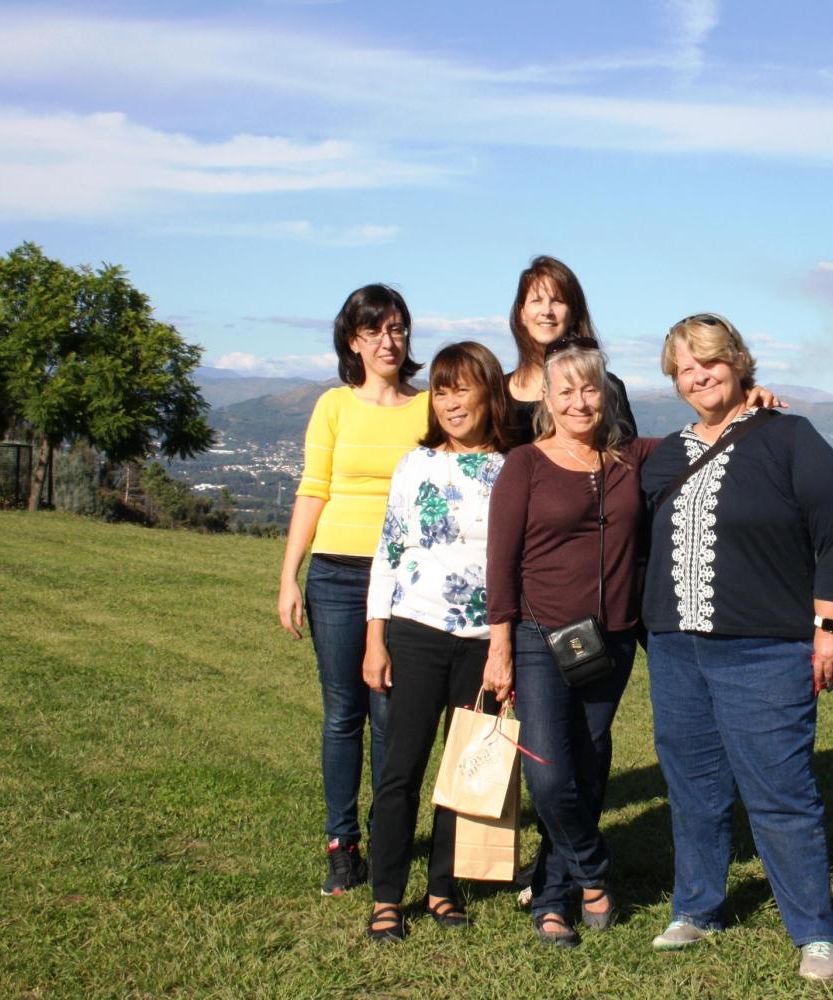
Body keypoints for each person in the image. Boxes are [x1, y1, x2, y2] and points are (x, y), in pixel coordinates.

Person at [638, 313, 833, 982]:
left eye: (708, 360)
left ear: (737, 362)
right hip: (675, 649)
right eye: (683, 367)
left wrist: (828, 626)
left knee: (780, 790)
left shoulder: (787, 436)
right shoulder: (665, 453)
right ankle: (696, 908)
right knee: (694, 785)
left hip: (763, 650)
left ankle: (814, 929)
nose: (697, 374)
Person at [483, 338, 655, 948]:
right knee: (551, 776)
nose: (581, 401)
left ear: (606, 396)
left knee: (588, 763)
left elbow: (704, 446)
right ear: (547, 401)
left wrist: (748, 406)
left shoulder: (632, 458)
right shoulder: (525, 464)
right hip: (538, 634)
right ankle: (595, 872)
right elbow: (500, 562)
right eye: (567, 391)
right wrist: (499, 645)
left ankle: (553, 899)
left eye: (591, 389)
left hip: (611, 639)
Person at [277, 284, 427, 896]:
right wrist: (289, 575)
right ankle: (343, 844)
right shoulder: (333, 406)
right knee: (343, 714)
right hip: (337, 575)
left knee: (393, 715)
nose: (388, 341)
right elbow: (313, 489)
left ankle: (386, 832)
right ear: (352, 341)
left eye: (396, 329)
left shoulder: (426, 409)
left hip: (405, 580)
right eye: (374, 331)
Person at [362, 341, 514, 941]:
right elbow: (388, 552)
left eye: (464, 388)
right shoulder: (414, 465)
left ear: (489, 394)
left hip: (484, 640)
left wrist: (507, 649)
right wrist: (376, 638)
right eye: (442, 390)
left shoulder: (513, 467)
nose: (452, 402)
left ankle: (443, 887)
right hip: (417, 629)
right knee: (400, 769)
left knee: (464, 770)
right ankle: (386, 896)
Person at [504, 255, 636, 442]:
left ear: (573, 314)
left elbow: (627, 457)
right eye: (536, 301)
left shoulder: (608, 386)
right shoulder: (497, 392)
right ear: (522, 314)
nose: (547, 311)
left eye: (557, 301)